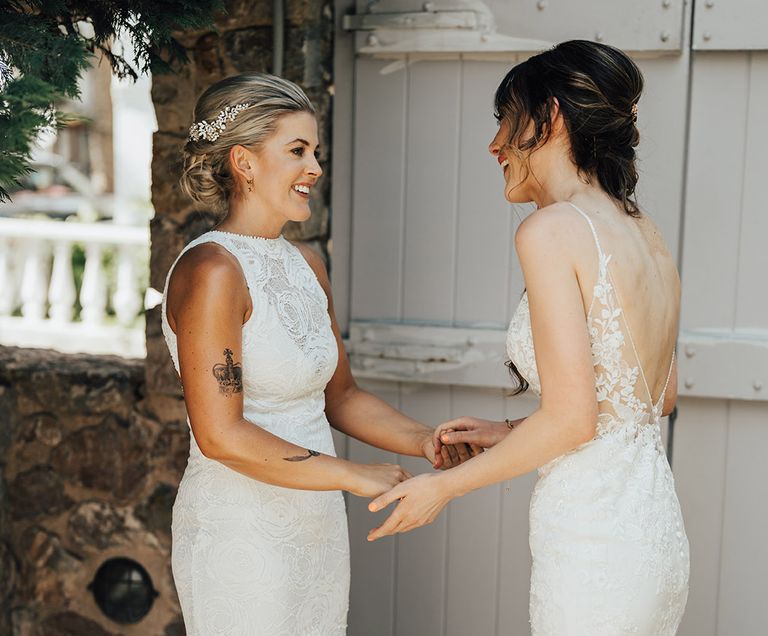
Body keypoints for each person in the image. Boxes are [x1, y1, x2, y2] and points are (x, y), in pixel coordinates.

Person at [368, 41, 690, 635]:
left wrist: (441, 489)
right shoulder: (645, 232)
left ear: (552, 118)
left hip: (593, 537)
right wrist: (507, 432)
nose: (495, 145)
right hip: (653, 536)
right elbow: (654, 400)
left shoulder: (551, 230)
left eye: (505, 120)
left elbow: (573, 421)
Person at [161, 73, 473, 635]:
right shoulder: (211, 270)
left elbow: (342, 398)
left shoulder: (306, 265)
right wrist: (353, 475)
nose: (315, 169)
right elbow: (221, 435)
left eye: (316, 152)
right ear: (244, 162)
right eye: (298, 151)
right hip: (242, 533)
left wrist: (423, 440)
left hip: (315, 527)